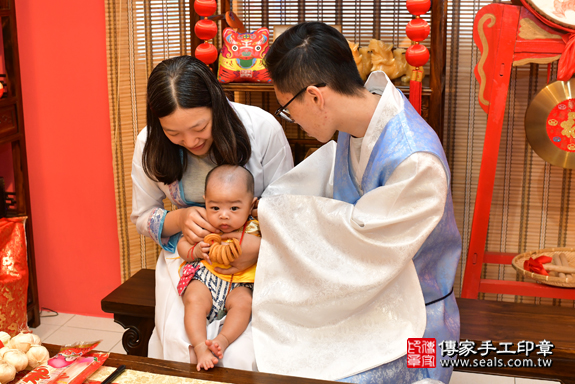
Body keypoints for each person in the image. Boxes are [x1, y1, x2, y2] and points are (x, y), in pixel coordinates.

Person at [251, 22, 461, 383]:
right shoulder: (361, 119)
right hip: (370, 292)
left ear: (316, 97)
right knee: (273, 348)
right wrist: (269, 210)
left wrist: (276, 224)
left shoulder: (414, 160)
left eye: (287, 108)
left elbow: (363, 241)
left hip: (415, 319)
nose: (292, 121)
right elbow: (328, 188)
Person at [131, 55, 293, 368]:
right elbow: (142, 216)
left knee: (241, 355)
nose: (190, 141)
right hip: (189, 257)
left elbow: (290, 211)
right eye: (173, 134)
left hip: (261, 261)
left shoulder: (261, 129)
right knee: (181, 343)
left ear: (216, 103)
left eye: (199, 127)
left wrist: (257, 249)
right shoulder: (148, 143)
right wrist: (177, 219)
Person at [176, 165, 259, 371]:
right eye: (215, 208)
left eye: (233, 208)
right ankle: (199, 346)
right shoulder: (205, 225)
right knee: (194, 299)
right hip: (207, 278)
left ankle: (223, 340)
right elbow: (181, 245)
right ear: (205, 201)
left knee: (244, 303)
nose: (223, 216)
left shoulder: (255, 227)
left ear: (251, 205)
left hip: (240, 283)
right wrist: (194, 251)